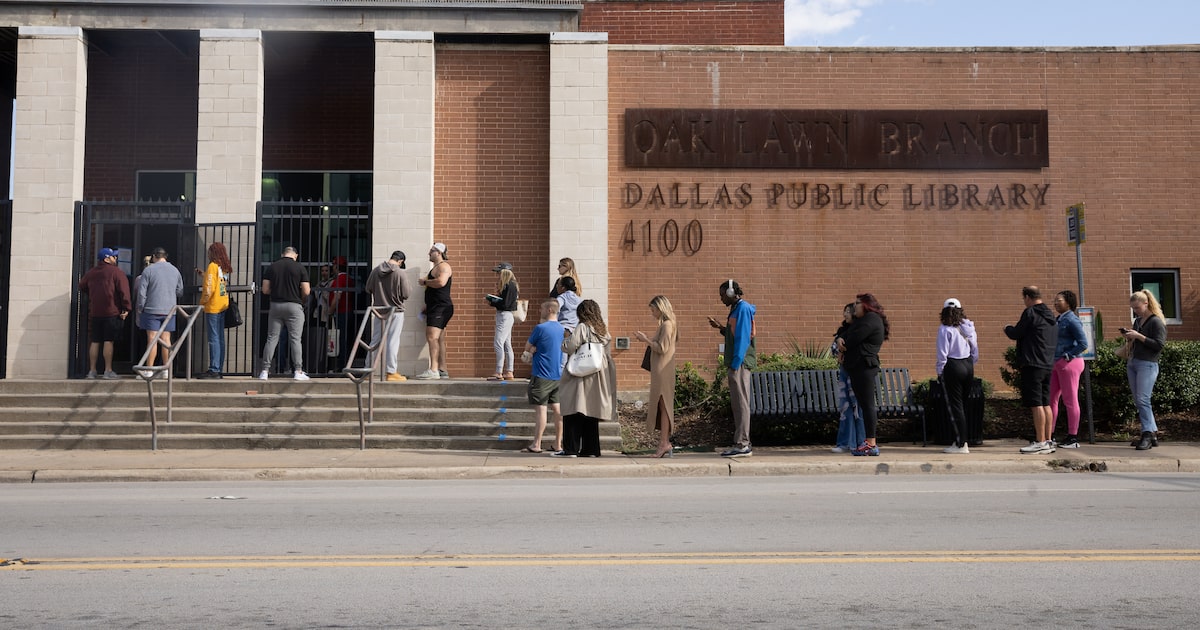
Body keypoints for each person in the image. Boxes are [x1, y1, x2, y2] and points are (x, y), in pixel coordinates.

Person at [555, 299, 616, 457]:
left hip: (580, 373)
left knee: (573, 410)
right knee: (590, 412)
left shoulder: (583, 327)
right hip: (597, 374)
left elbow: (569, 347)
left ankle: (571, 449)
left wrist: (566, 338)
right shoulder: (603, 330)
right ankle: (591, 449)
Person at [1005, 286, 1059, 454]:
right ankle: (1049, 440)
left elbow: (1016, 333)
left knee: (1036, 404)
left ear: (1028, 297)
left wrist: (1007, 328)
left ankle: (1040, 441)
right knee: (1045, 402)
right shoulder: (1051, 316)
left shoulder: (1030, 313)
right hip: (1048, 364)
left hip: (1033, 364)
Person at [707, 279, 756, 458]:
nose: (721, 299)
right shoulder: (736, 309)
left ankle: (743, 444)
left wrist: (735, 364)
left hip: (740, 364)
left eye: (722, 295)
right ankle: (741, 442)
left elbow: (743, 339)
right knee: (737, 404)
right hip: (736, 363)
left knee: (741, 403)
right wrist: (720, 327)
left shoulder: (742, 309)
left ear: (730, 293)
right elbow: (734, 334)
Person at [836, 293, 889, 456]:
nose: (854, 307)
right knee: (864, 405)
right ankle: (868, 442)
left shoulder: (871, 319)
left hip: (865, 368)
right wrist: (840, 340)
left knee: (867, 406)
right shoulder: (863, 321)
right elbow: (845, 334)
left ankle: (871, 443)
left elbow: (851, 339)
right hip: (857, 368)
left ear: (866, 305)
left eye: (857, 303)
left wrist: (843, 342)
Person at [258, 246, 311, 381]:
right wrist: (301, 299)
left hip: (275, 306)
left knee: (272, 338)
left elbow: (264, 290)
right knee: (295, 339)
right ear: (296, 255)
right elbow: (306, 291)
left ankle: (264, 370)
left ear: (283, 254)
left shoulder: (272, 267)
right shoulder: (300, 268)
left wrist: (277, 291)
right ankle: (298, 371)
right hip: (294, 306)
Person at [1123, 289, 1167, 450]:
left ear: (1146, 303)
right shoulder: (1137, 321)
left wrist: (1139, 336)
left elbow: (1159, 345)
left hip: (1148, 364)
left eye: (1137, 308)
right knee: (1139, 400)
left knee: (1143, 399)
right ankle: (1152, 433)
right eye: (1133, 308)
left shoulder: (1155, 321)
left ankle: (1147, 433)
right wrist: (1130, 336)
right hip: (1134, 362)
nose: (1135, 311)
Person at [78, 247, 131, 379]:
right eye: (114, 256)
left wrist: (93, 295)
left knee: (95, 341)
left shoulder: (92, 272)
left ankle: (92, 370)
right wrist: (126, 308)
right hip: (111, 312)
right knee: (108, 341)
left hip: (95, 312)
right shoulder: (116, 272)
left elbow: (82, 285)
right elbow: (124, 291)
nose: (116, 258)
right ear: (107, 259)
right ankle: (108, 370)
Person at [635, 295, 677, 458]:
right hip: (662, 369)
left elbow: (662, 348)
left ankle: (664, 443)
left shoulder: (667, 325)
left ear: (660, 308)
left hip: (662, 370)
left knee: (664, 405)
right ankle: (663, 442)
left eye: (653, 310)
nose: (652, 313)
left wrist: (645, 339)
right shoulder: (668, 324)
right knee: (662, 405)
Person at [935, 298, 979, 454]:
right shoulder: (968, 326)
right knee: (963, 404)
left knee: (955, 406)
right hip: (967, 364)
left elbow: (942, 354)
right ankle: (960, 440)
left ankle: (961, 443)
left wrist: (940, 372)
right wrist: (971, 362)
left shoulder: (944, 329)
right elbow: (975, 348)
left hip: (953, 366)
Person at [521, 300, 564, 453]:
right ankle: (558, 444)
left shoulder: (540, 328)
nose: (540, 310)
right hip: (557, 375)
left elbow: (526, 351)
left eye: (542, 308)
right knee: (558, 410)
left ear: (550, 309)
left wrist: (531, 351)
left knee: (541, 411)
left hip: (541, 374)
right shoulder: (562, 329)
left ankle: (537, 444)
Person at [1048, 290, 1089, 448]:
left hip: (1069, 363)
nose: (1056, 303)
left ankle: (1073, 437)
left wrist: (1068, 355)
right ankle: (1049, 435)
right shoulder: (1058, 319)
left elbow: (1083, 343)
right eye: (1055, 300)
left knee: (1070, 400)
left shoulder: (1072, 320)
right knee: (1051, 399)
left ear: (1069, 302)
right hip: (1056, 363)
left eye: (1059, 300)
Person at [364, 250, 412, 382]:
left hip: (379, 310)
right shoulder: (400, 273)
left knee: (375, 341)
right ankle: (391, 372)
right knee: (392, 341)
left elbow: (368, 288)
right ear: (400, 261)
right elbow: (406, 294)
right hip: (396, 311)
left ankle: (367, 371)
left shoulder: (375, 271)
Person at [136, 247, 184, 377]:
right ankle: (166, 370)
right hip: (170, 309)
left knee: (152, 339)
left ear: (153, 256)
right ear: (165, 256)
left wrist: (141, 307)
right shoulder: (175, 270)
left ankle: (149, 369)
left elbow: (142, 293)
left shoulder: (148, 270)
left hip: (151, 309)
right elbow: (180, 291)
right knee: (166, 339)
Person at [415, 242, 453, 380]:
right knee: (439, 338)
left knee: (432, 337)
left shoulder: (443, 267)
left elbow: (441, 282)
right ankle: (442, 369)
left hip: (440, 307)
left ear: (438, 252)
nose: (428, 253)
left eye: (431, 251)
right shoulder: (437, 267)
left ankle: (433, 370)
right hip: (436, 306)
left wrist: (425, 282)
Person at [830, 303, 864, 453]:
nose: (845, 315)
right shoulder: (842, 331)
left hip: (857, 371)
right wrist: (839, 345)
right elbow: (833, 350)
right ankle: (844, 443)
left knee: (858, 407)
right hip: (844, 371)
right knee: (845, 408)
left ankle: (861, 442)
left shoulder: (860, 329)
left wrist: (845, 349)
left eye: (848, 312)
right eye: (844, 312)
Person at [197, 242, 232, 379]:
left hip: (213, 306)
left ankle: (214, 369)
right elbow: (219, 282)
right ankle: (219, 368)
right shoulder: (223, 267)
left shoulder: (212, 266)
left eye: (209, 252)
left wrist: (202, 302)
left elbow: (209, 287)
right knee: (220, 338)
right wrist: (204, 275)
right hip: (223, 304)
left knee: (213, 338)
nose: (208, 254)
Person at [485, 262, 520, 381]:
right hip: (506, 315)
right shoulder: (511, 285)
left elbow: (506, 304)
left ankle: (499, 371)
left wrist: (493, 301)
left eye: (499, 272)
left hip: (505, 315)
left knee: (498, 342)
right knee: (506, 344)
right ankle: (509, 370)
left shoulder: (509, 285)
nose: (498, 275)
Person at [328, 256, 355, 370]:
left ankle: (340, 365)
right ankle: (346, 362)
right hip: (348, 311)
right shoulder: (349, 279)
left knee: (340, 340)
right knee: (346, 338)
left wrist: (330, 311)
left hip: (341, 312)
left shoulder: (340, 279)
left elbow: (337, 297)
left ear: (336, 267)